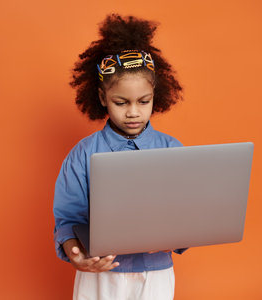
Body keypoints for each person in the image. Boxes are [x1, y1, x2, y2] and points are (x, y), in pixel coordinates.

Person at [53, 14, 187, 300]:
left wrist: (176, 236)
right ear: (102, 97)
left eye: (144, 101)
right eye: (121, 102)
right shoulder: (82, 154)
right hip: (100, 275)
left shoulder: (172, 149)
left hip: (156, 275)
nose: (133, 112)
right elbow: (67, 219)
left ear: (156, 95)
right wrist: (76, 254)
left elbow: (187, 216)